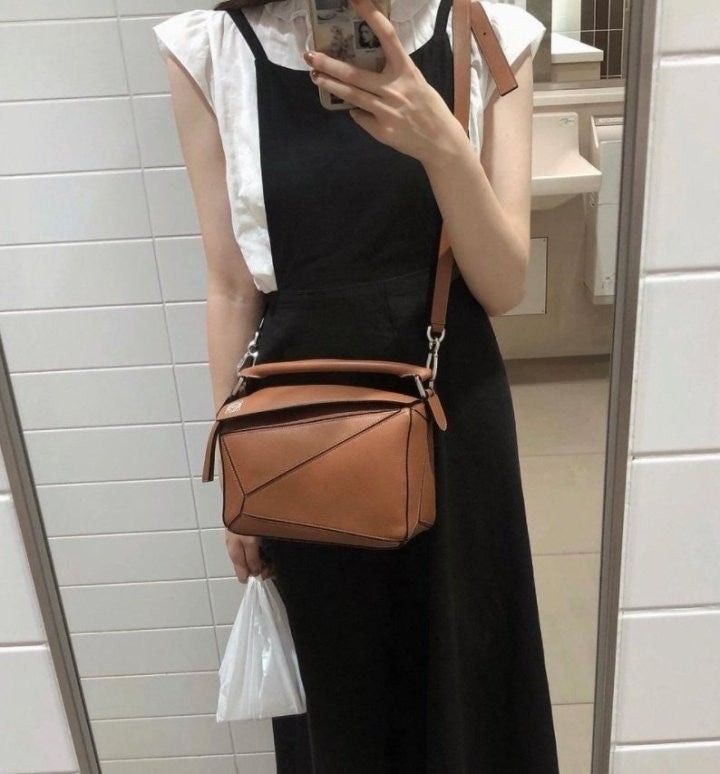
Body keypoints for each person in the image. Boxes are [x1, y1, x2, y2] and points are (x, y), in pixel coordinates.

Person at [153, 0, 559, 770]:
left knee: (468, 680)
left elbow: (502, 285)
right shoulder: (210, 48)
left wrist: (442, 146)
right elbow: (232, 288)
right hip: (298, 434)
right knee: (341, 697)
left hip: (452, 416)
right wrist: (236, 481)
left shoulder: (492, 36)